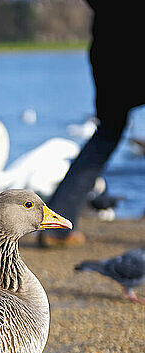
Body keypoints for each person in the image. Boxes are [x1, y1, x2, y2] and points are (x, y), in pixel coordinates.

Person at [39, 0, 145, 248]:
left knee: (106, 135)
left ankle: (57, 227)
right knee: (108, 134)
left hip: (108, 52)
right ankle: (57, 228)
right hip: (129, 47)